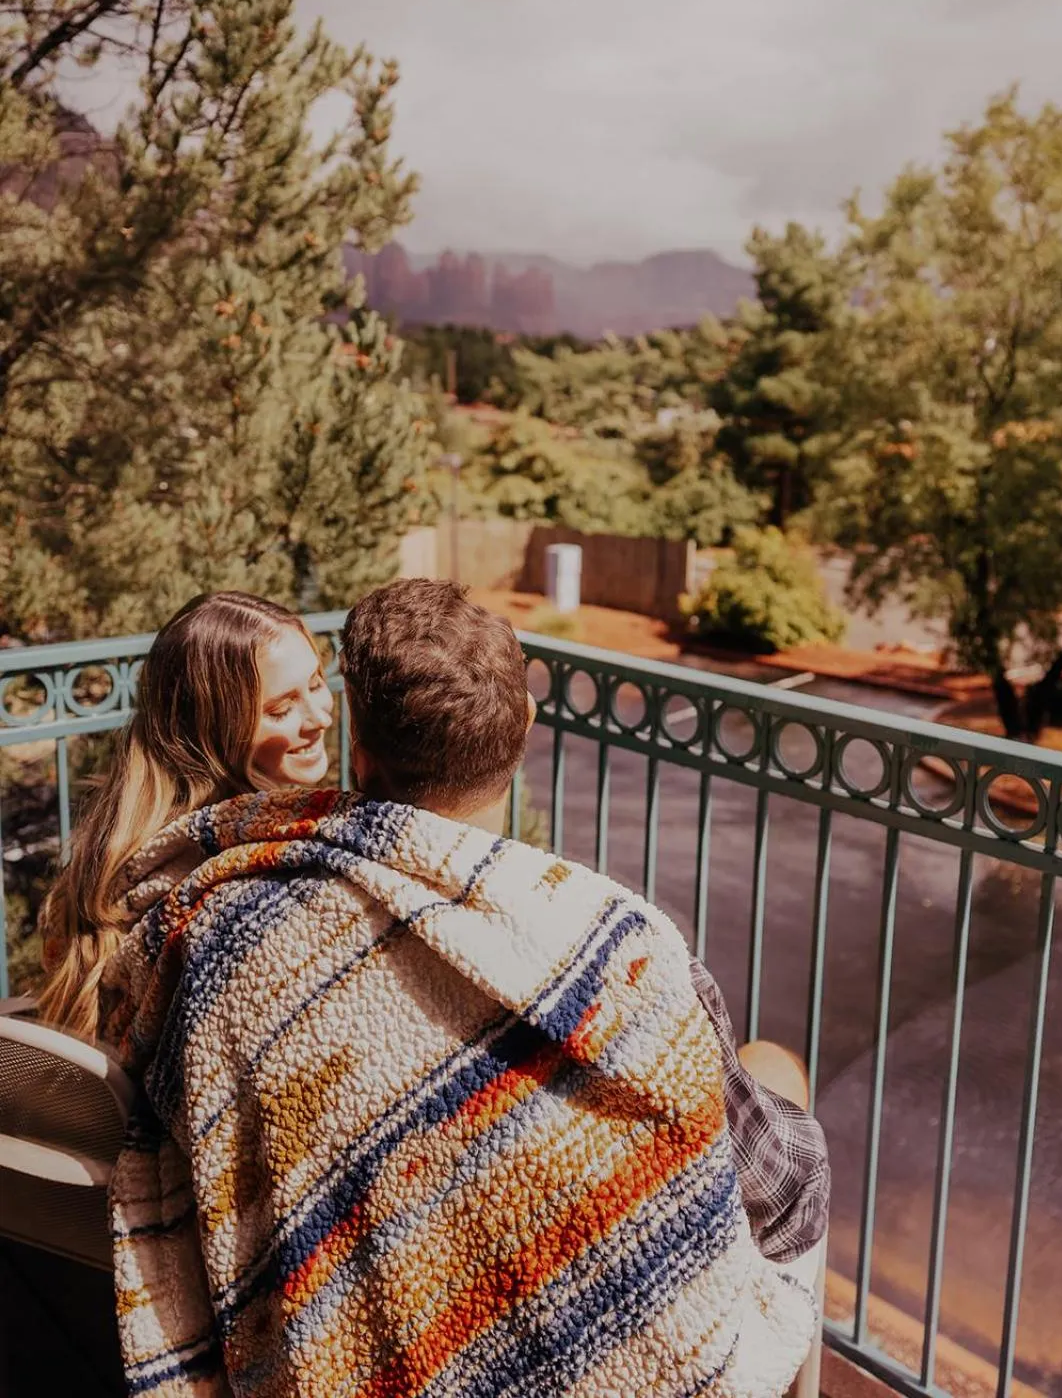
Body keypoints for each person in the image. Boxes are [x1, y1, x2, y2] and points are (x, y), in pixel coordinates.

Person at [94, 578, 826, 1398]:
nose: (311, 718)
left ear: (361, 756)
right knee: (777, 1077)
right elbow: (783, 1186)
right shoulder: (621, 944)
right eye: (280, 704)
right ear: (524, 728)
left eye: (316, 693)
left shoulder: (203, 922)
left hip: (356, 1311)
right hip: (593, 1326)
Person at [37, 590, 334, 1039]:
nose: (319, 718)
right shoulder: (241, 876)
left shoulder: (122, 842)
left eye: (315, 683)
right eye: (281, 709)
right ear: (215, 729)